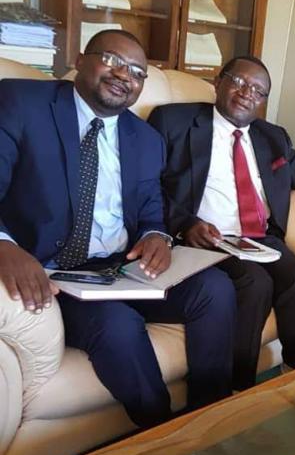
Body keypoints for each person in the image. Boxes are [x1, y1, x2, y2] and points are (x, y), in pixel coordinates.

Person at [0, 30, 235, 427]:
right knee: (118, 327)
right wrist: (4, 245)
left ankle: (206, 422)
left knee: (216, 290)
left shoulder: (144, 139)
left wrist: (155, 236)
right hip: (56, 274)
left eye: (137, 72)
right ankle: (163, 437)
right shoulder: (21, 103)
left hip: (121, 268)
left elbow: (150, 209)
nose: (124, 75)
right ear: (81, 57)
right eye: (112, 60)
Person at [148, 56, 295, 390]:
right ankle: (238, 390)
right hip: (205, 239)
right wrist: (185, 223)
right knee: (254, 284)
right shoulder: (174, 122)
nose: (247, 94)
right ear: (218, 82)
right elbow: (146, 185)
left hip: (259, 239)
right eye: (239, 82)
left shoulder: (272, 137)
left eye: (258, 91)